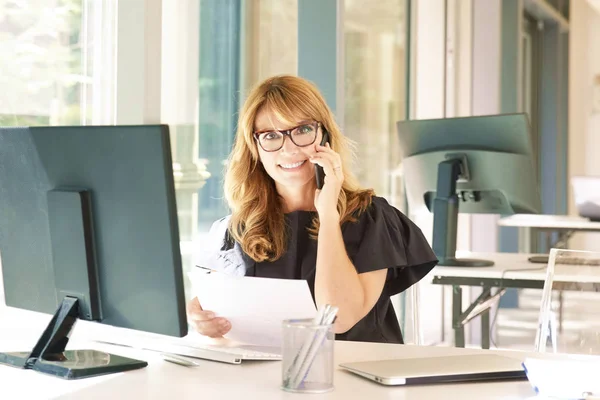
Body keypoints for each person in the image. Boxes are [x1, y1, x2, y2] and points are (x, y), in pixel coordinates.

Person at [187, 75, 438, 343]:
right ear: (255, 148)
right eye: (271, 136)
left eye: (302, 130)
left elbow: (337, 319)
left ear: (325, 135)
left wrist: (328, 214)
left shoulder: (371, 217)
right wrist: (203, 321)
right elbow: (217, 314)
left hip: (356, 377)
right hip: (263, 378)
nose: (289, 149)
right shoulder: (236, 229)